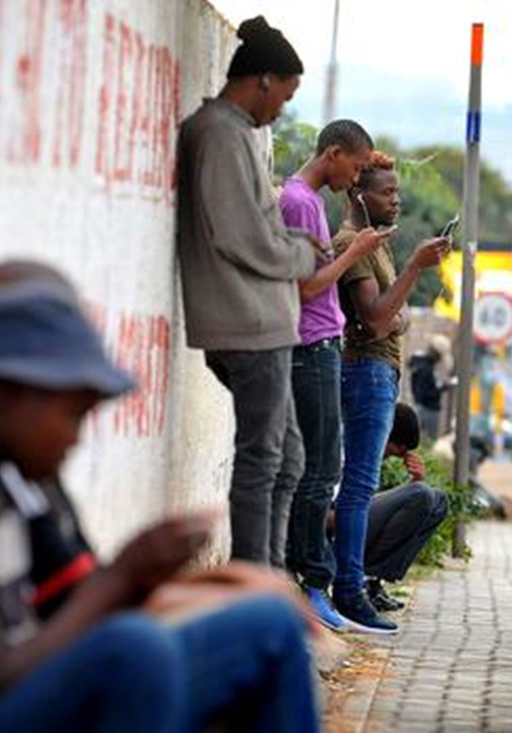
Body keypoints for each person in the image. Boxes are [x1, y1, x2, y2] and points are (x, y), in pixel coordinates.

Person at [0, 262, 320, 733]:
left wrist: (146, 578)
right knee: (136, 651)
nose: (77, 438)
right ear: (8, 392)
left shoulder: (1, 486)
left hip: (19, 701)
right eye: (73, 414)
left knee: (271, 625)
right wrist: (119, 576)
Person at [176, 15, 315, 567]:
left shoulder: (234, 133)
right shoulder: (218, 133)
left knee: (288, 460)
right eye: (286, 93)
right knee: (265, 460)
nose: (283, 108)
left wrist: (290, 239)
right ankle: (256, 582)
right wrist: (300, 254)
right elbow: (240, 236)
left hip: (260, 323)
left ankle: (270, 578)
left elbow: (254, 228)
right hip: (247, 325)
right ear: (262, 80)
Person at [331, 150, 450, 633]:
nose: (397, 200)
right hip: (364, 372)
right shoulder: (350, 242)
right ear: (360, 193)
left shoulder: (377, 245)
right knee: (357, 487)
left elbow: (390, 316)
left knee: (365, 486)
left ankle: (359, 583)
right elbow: (380, 319)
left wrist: (393, 312)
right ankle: (349, 589)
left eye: (399, 192)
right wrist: (416, 268)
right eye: (388, 191)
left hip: (380, 372)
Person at [278, 119, 387, 631]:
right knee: (320, 470)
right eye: (357, 167)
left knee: (318, 466)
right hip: (311, 344)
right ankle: (312, 583)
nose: (356, 178)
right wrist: (354, 254)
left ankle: (307, 579)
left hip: (320, 343)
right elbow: (306, 288)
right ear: (335, 153)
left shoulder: (310, 202)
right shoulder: (301, 201)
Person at [361, 403, 448, 611]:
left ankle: (372, 581)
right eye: (393, 451)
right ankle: (359, 579)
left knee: (438, 500)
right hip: (339, 523)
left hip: (358, 518)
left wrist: (415, 481)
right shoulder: (356, 444)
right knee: (422, 494)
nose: (390, 457)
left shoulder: (375, 454)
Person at [409, 334, 454, 441]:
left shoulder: (420, 363)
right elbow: (424, 393)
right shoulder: (425, 368)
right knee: (428, 442)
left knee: (421, 441)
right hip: (428, 409)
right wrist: (444, 386)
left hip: (422, 407)